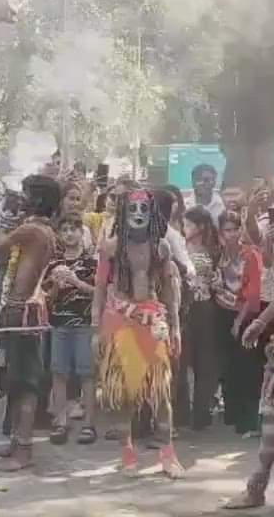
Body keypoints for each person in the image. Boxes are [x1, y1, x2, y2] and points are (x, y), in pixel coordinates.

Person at [92, 187, 185, 478]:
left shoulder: (162, 248)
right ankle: (128, 453)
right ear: (122, 213)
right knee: (124, 394)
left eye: (144, 209)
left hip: (153, 321)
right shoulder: (110, 248)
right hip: (120, 321)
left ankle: (168, 455)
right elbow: (98, 289)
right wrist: (96, 330)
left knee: (161, 394)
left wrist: (176, 327)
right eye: (132, 210)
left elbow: (170, 291)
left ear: (152, 213)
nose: (138, 215)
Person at [0, 174, 61, 471]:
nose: (22, 198)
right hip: (21, 310)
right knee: (15, 381)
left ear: (38, 200)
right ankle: (17, 441)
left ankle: (24, 450)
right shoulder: (41, 231)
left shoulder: (31, 230)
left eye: (27, 194)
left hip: (23, 311)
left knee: (24, 383)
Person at [42, 212, 99, 446]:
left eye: (73, 229)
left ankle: (89, 424)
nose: (68, 234)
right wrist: (56, 284)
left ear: (81, 232)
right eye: (64, 230)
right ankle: (61, 421)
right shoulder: (53, 264)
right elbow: (48, 298)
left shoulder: (91, 262)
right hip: (59, 325)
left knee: (87, 373)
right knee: (59, 372)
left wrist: (75, 280)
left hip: (84, 325)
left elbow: (98, 293)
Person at [214, 210, 264, 437]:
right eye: (227, 230)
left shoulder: (250, 255)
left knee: (247, 369)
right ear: (220, 233)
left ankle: (249, 420)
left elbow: (253, 294)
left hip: (246, 316)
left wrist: (239, 321)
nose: (231, 234)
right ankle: (232, 414)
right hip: (222, 313)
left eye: (235, 229)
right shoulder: (219, 256)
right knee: (228, 368)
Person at [178, 206, 221, 432]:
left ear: (201, 227)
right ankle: (182, 411)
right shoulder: (180, 248)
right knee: (182, 359)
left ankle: (201, 411)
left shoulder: (213, 249)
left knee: (204, 362)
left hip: (205, 307)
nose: (184, 229)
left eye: (188, 224)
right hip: (184, 308)